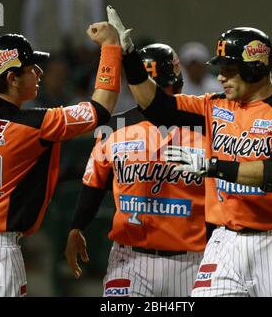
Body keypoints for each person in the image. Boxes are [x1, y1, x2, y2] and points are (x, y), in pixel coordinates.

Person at [105, 8, 272, 297]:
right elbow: (157, 107)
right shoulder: (215, 104)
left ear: (254, 67)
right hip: (224, 242)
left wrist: (213, 167)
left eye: (229, 70)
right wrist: (129, 55)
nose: (220, 77)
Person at [0, 19, 121, 297]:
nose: (39, 72)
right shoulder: (34, 123)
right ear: (11, 78)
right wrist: (111, 47)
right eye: (30, 68)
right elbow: (101, 108)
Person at [65, 43, 209, 297]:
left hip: (192, 260)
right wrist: (77, 227)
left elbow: (93, 186)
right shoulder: (115, 126)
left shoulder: (205, 125)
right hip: (132, 262)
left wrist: (77, 227)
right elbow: (94, 184)